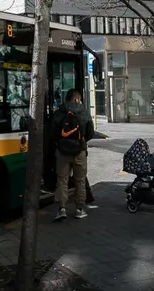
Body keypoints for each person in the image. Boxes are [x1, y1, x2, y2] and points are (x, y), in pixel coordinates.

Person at [51, 89, 94, 220]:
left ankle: (62, 208)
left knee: (62, 180)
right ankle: (80, 209)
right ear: (78, 99)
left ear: (66, 99)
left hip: (62, 152)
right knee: (80, 180)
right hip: (79, 151)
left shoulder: (59, 113)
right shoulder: (84, 112)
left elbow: (52, 133)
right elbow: (90, 133)